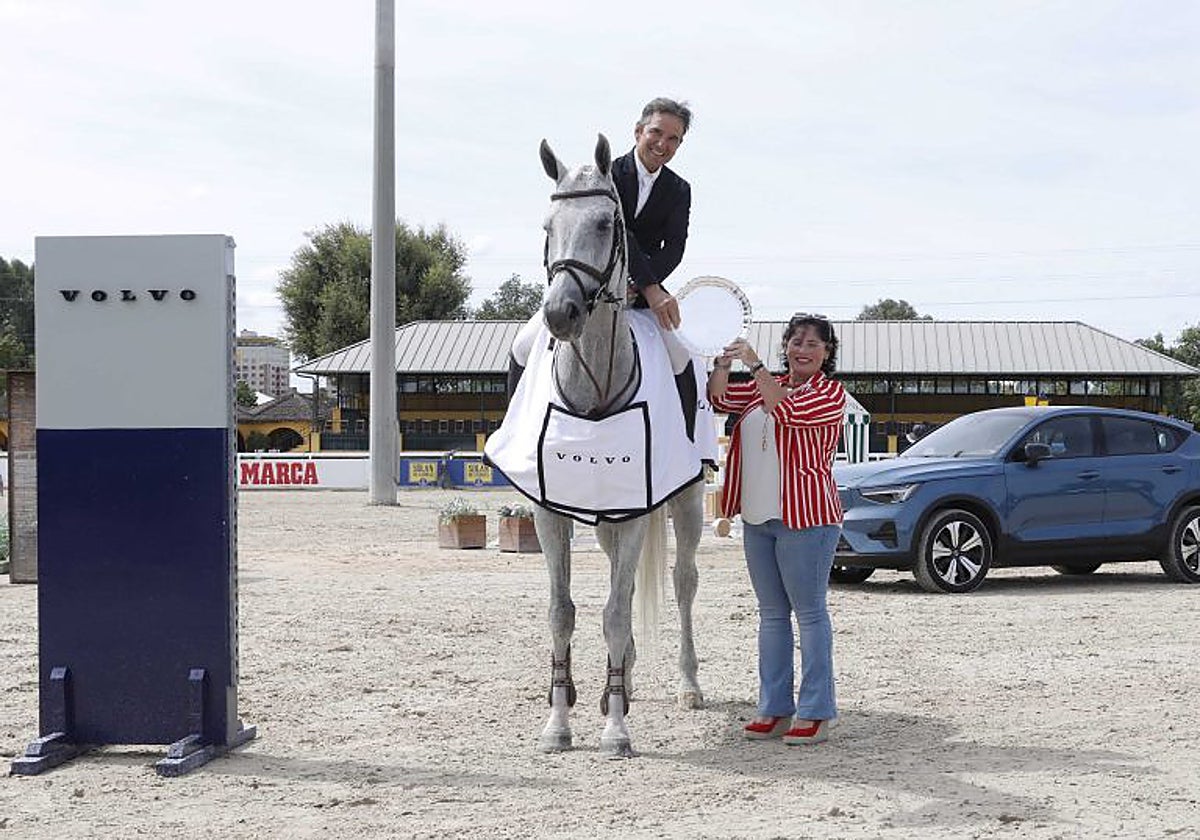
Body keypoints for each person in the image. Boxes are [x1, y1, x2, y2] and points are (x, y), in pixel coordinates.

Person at [707, 314, 847, 745]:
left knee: (809, 614)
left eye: (813, 344)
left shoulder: (830, 394)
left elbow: (783, 410)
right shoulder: (766, 381)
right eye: (796, 341)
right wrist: (723, 362)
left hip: (807, 518)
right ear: (785, 345)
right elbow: (719, 401)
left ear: (827, 354)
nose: (803, 350)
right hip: (758, 517)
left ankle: (817, 711)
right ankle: (774, 708)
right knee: (771, 617)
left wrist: (754, 363)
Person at [611, 97, 692, 332]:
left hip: (644, 291)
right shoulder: (606, 173)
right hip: (596, 283)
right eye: (656, 132)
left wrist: (638, 287)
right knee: (525, 343)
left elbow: (675, 248)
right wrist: (648, 286)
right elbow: (617, 232)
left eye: (672, 139)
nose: (661, 144)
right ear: (638, 131)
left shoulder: (680, 189)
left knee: (682, 351)